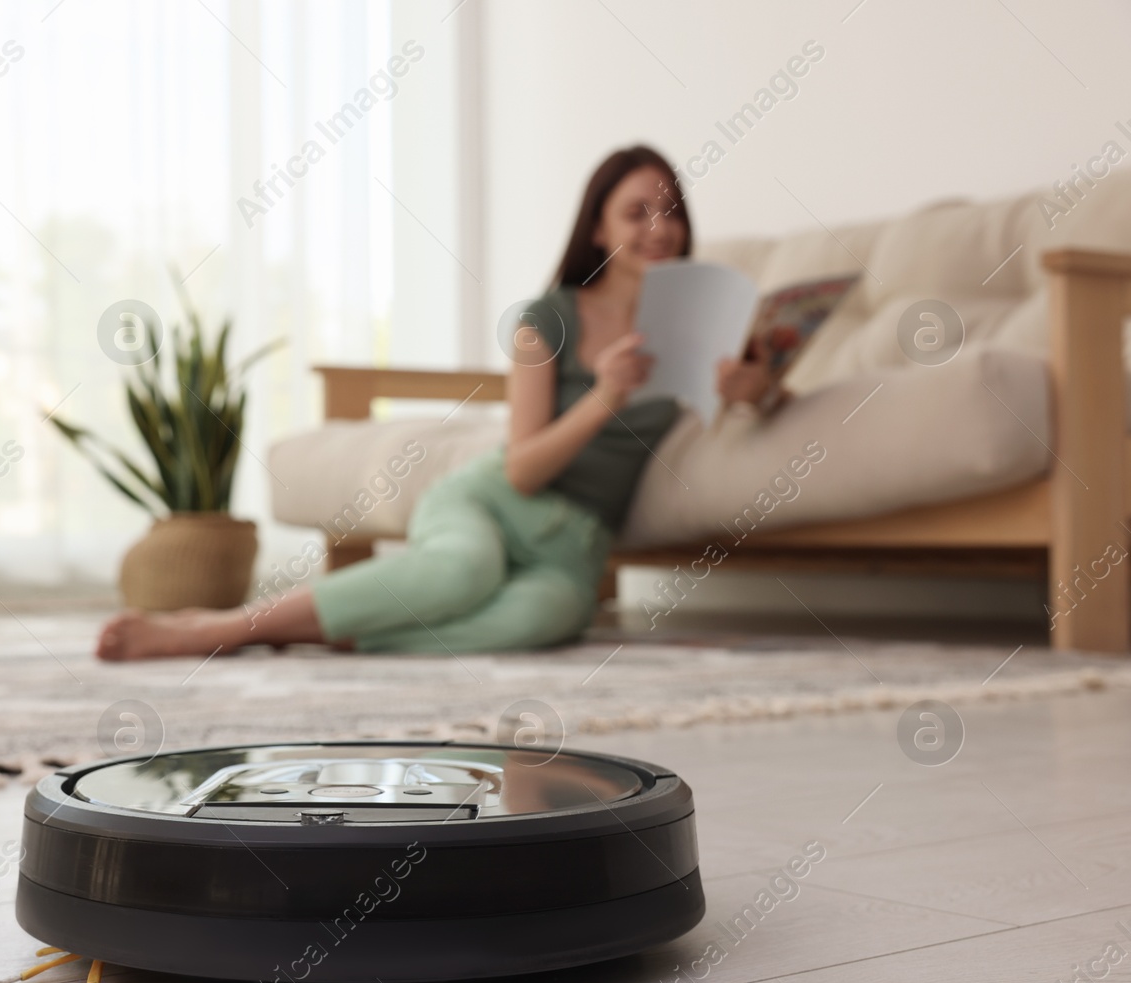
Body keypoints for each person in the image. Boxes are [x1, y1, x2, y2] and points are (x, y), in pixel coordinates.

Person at [97, 144, 778, 661]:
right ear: (598, 230)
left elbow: (756, 398)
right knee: (463, 568)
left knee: (544, 619)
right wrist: (604, 397)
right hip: (492, 499)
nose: (660, 228)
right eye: (638, 212)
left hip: (575, 539)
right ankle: (221, 629)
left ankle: (350, 636)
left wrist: (753, 388)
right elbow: (520, 467)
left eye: (672, 212)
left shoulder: (706, 323)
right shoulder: (548, 317)